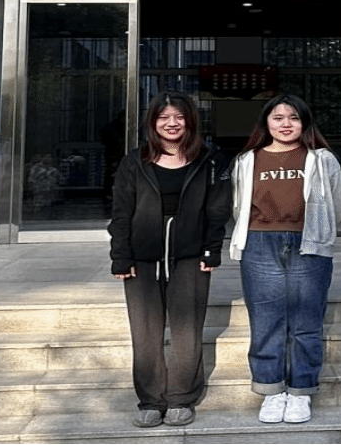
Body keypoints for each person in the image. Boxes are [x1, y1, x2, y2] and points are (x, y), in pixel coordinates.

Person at [108, 91, 232, 429]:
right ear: (153, 122)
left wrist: (212, 249)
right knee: (145, 331)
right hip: (143, 257)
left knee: (187, 330)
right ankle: (150, 400)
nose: (172, 123)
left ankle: (180, 398)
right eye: (164, 117)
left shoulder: (209, 160)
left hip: (190, 255)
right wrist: (121, 255)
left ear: (190, 120)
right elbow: (121, 211)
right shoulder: (135, 161)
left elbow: (218, 208)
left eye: (179, 117)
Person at [229, 94, 341, 424]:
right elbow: (238, 205)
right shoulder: (247, 159)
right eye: (278, 118)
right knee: (266, 320)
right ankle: (271, 390)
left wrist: (320, 235)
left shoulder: (322, 159)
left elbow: (335, 207)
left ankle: (300, 391)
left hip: (308, 243)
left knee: (307, 322)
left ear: (304, 123)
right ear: (266, 123)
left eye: (294, 118)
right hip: (259, 243)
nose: (285, 124)